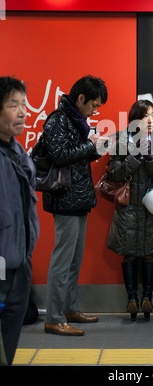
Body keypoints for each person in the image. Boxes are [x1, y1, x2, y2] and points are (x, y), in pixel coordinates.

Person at [42, 75, 108, 336]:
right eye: (93, 105)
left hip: (78, 199)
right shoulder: (58, 119)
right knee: (62, 260)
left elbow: (75, 155)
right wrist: (90, 145)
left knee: (73, 261)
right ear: (80, 98)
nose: (94, 111)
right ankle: (54, 317)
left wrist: (95, 148)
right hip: (65, 199)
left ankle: (69, 308)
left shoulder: (76, 120)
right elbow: (58, 156)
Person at [107, 100, 153, 321]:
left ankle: (147, 298)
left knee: (150, 254)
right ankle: (131, 300)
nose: (150, 120)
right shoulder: (120, 139)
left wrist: (149, 157)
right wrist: (136, 156)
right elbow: (114, 175)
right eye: (145, 116)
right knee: (129, 255)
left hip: (152, 207)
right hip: (128, 208)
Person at [0, 76, 39, 365]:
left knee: (9, 341)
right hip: (1, 266)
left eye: (24, 104)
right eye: (13, 104)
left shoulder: (18, 153)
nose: (23, 111)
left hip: (19, 264)